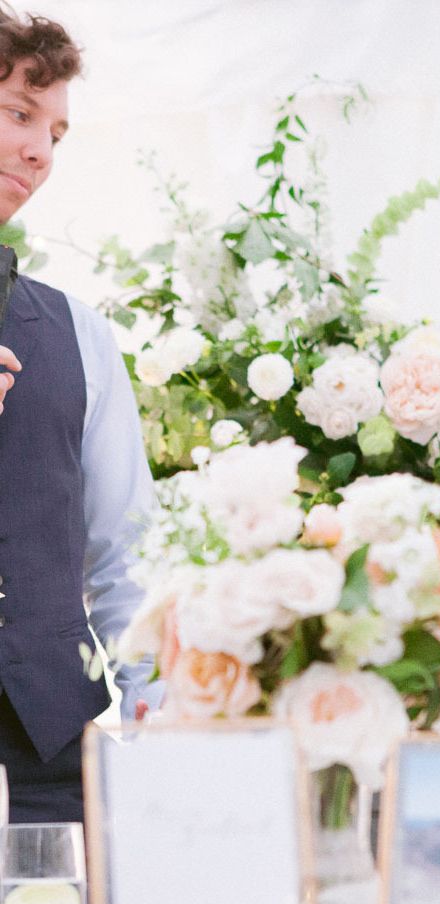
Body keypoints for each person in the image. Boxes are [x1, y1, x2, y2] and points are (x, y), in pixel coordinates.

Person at [0, 5, 158, 823]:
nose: (39, 150)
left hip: (50, 753)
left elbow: (127, 549)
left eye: (55, 133)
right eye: (19, 113)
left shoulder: (80, 335)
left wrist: (155, 711)